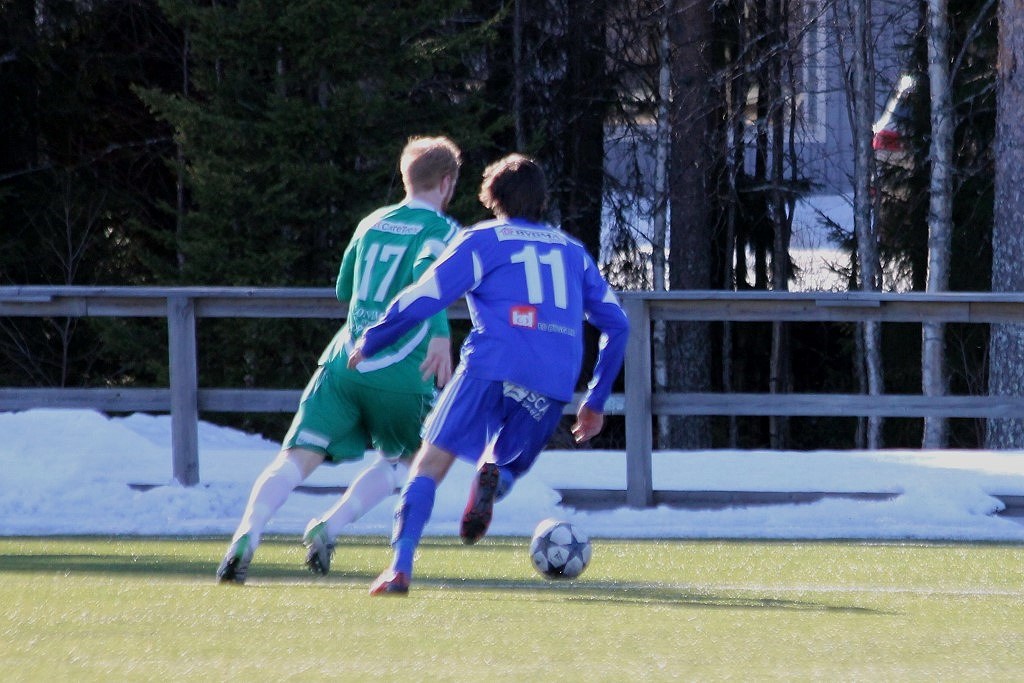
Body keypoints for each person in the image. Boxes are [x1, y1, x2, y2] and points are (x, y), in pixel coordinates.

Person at [347, 153, 630, 595]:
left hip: (492, 364)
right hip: (552, 378)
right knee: (504, 465)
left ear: (492, 197)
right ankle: (493, 481)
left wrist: (374, 337)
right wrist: (594, 401)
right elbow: (618, 324)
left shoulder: (484, 239)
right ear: (542, 200)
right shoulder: (573, 252)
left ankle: (400, 567)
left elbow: (427, 294)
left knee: (429, 464)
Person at [217, 135, 463, 584]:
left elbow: (343, 290)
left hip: (344, 361)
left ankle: (247, 533)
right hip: (402, 370)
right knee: (406, 462)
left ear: (405, 177)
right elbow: (429, 275)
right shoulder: (443, 231)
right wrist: (441, 336)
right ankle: (329, 526)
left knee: (296, 457)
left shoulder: (371, 222)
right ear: (447, 183)